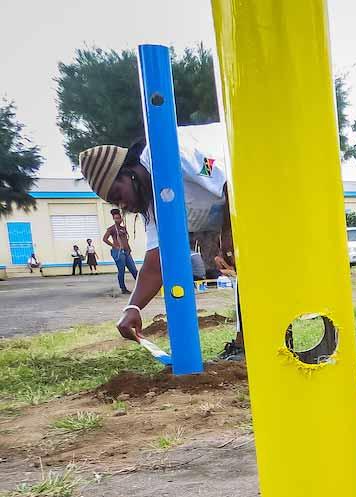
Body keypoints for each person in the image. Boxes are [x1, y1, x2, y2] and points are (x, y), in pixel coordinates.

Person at [78, 130, 244, 361]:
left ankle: (257, 343)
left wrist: (229, 232)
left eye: (118, 193)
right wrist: (132, 308)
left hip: (273, 176)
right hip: (247, 214)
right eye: (115, 203)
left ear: (128, 172)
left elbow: (231, 178)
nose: (123, 204)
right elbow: (156, 263)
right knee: (246, 273)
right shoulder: (154, 204)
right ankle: (244, 345)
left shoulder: (171, 149)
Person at [102, 208, 138, 294]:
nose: (119, 220)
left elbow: (125, 239)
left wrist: (129, 248)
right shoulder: (112, 229)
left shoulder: (123, 228)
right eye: (116, 218)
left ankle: (140, 287)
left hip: (126, 252)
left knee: (134, 270)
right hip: (118, 252)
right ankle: (123, 288)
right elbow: (105, 239)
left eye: (119, 218)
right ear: (114, 219)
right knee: (121, 270)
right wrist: (114, 246)